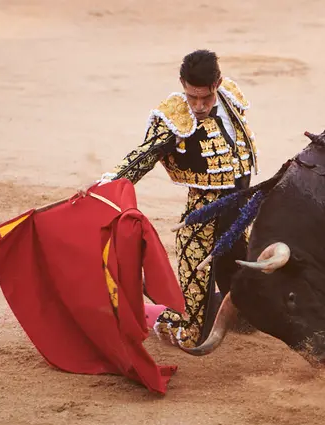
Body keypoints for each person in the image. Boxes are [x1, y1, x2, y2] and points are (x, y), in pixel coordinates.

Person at [78, 49, 259, 348]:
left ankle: (213, 305)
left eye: (205, 97)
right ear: (182, 84)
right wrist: (106, 183)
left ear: (217, 84)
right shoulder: (175, 118)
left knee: (253, 313)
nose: (198, 106)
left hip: (239, 221)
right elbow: (144, 156)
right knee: (191, 335)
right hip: (202, 228)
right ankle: (141, 312)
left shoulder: (230, 98)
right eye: (192, 97)